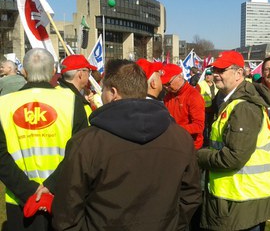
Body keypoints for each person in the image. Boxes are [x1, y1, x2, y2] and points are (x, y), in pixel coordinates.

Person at [52, 61, 202, 231]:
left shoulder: (86, 143)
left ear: (113, 92)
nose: (101, 95)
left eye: (103, 90)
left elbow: (66, 211)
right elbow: (191, 196)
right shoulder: (180, 138)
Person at [0, 48, 88, 231]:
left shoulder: (3, 104)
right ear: (52, 72)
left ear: (24, 72)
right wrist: (50, 186)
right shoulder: (72, 101)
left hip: (19, 198)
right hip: (62, 194)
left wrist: (30, 190)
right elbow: (81, 151)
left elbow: (1, 157)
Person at [197, 51, 270, 231]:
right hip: (238, 196)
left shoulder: (244, 107)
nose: (216, 74)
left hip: (242, 199)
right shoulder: (231, 102)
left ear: (239, 74)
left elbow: (233, 157)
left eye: (222, 70)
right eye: (215, 69)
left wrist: (199, 156)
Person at [163, 64, 205, 150]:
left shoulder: (193, 96)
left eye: (168, 83)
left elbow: (199, 126)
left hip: (190, 146)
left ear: (180, 77)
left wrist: (175, 129)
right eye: (164, 85)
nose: (167, 87)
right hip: (174, 143)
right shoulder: (168, 96)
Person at [198, 69, 218, 147]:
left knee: (212, 126)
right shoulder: (200, 84)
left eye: (209, 75)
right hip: (204, 109)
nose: (208, 76)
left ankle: (210, 140)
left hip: (214, 110)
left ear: (212, 76)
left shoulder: (216, 84)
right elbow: (196, 96)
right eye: (206, 74)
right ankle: (204, 141)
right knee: (204, 126)